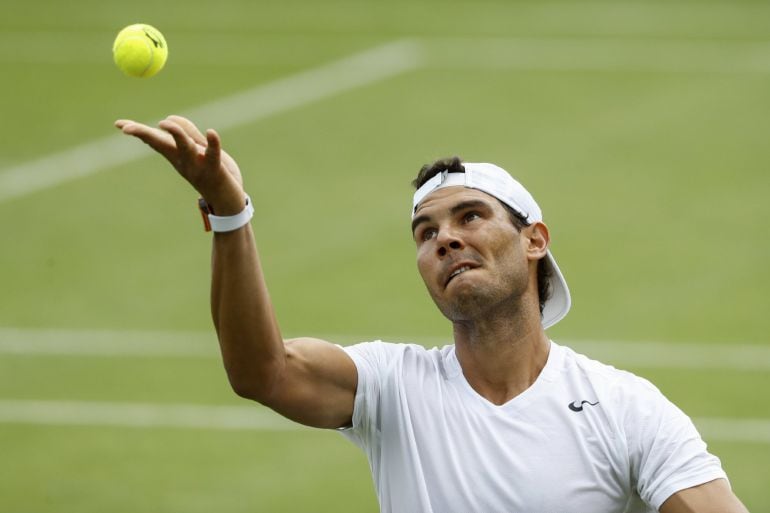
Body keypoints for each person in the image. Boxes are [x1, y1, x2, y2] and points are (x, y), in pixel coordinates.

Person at [115, 115, 749, 513]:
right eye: (425, 232)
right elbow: (263, 371)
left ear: (534, 240)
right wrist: (230, 213)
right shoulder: (393, 387)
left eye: (470, 216)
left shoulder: (625, 408)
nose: (443, 239)